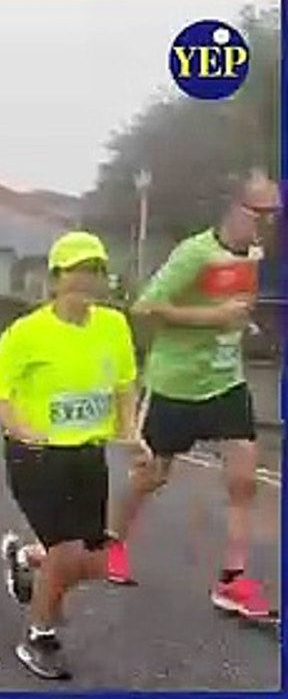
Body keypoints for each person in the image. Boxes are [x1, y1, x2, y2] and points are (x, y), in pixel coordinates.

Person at [106, 169, 280, 621]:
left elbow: (240, 299)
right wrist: (212, 316)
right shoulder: (194, 254)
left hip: (225, 383)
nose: (269, 222)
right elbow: (144, 305)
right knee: (152, 477)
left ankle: (233, 581)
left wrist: (243, 320)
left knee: (245, 478)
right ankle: (111, 543)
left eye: (275, 214)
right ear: (234, 207)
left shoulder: (254, 252)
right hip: (176, 386)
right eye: (260, 212)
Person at [0, 231, 147, 680]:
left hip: (87, 455)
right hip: (37, 457)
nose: (87, 280)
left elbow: (124, 387)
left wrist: (130, 433)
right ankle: (38, 636)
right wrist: (23, 429)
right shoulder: (28, 332)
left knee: (94, 561)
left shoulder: (113, 325)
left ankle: (28, 560)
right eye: (77, 270)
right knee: (68, 552)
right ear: (55, 279)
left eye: (95, 270)